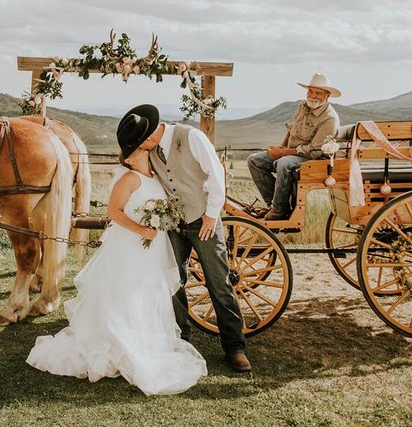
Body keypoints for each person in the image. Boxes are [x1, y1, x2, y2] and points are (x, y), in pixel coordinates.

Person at [26, 115, 207, 396]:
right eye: (131, 150)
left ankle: (148, 339)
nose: (133, 153)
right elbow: (114, 213)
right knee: (127, 292)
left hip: (153, 248)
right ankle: (122, 342)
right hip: (131, 245)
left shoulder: (154, 176)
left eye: (135, 148)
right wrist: (141, 229)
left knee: (149, 292)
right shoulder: (129, 178)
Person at [122, 104, 252, 373]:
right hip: (173, 225)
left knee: (218, 283)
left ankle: (234, 347)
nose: (141, 148)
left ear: (147, 137)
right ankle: (180, 339)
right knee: (173, 281)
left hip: (203, 221)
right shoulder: (150, 152)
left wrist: (211, 216)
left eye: (140, 143)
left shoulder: (191, 136)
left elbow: (216, 175)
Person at [248, 72, 341, 221]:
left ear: (327, 96)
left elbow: (314, 151)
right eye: (310, 91)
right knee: (254, 161)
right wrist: (282, 147)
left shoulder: (329, 119)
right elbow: (292, 130)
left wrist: (282, 153)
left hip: (315, 159)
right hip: (292, 153)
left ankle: (278, 211)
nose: (313, 95)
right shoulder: (303, 106)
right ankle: (275, 206)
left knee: (284, 163)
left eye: (318, 93)